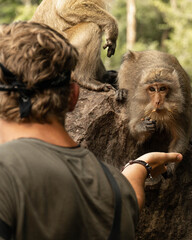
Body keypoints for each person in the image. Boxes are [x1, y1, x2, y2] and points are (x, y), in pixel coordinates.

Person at [0, 21, 182, 240]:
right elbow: (127, 198)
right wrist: (139, 169)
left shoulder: (6, 172)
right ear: (74, 95)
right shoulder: (118, 191)